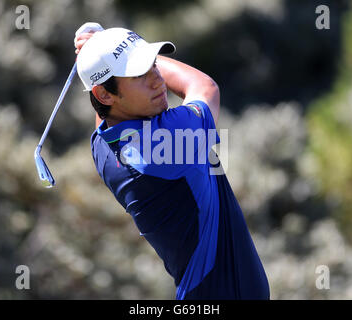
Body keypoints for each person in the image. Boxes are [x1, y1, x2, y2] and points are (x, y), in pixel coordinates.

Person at [74, 22, 270, 300]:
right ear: (104, 93)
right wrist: (100, 50)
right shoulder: (168, 140)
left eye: (154, 65)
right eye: (139, 74)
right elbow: (204, 86)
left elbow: (104, 108)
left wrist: (98, 56)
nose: (158, 80)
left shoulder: (102, 145)